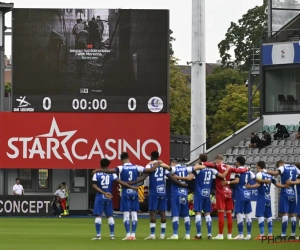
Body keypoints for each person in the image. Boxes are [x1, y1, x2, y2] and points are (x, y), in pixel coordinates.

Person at [91, 152, 166, 240]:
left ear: (121, 159)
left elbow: (110, 171)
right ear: (128, 158)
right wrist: (158, 163)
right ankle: (133, 235)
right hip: (134, 192)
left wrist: (97, 170)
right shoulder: (136, 167)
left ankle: (127, 234)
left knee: (126, 214)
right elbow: (150, 170)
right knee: (134, 214)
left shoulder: (121, 167)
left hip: (125, 193)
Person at [127, 151, 186, 240]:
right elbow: (171, 178)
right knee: (162, 212)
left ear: (151, 156)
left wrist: (132, 182)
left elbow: (143, 177)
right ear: (158, 157)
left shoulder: (149, 165)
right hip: (162, 191)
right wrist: (182, 185)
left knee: (153, 212)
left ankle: (152, 235)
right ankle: (162, 235)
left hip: (154, 191)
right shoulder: (162, 166)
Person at [174, 153, 230, 240]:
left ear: (199, 159)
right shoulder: (212, 169)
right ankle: (209, 234)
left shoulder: (199, 169)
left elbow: (189, 178)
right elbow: (223, 176)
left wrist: (178, 177)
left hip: (199, 194)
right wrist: (228, 169)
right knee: (207, 214)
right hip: (207, 194)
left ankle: (199, 234)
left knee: (198, 213)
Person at [201, 154, 249, 240]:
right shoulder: (229, 167)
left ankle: (220, 234)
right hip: (229, 192)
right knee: (229, 214)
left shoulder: (217, 166)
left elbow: (208, 164)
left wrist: (201, 162)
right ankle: (229, 235)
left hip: (220, 192)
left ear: (217, 160)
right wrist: (247, 168)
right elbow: (240, 170)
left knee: (221, 214)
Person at [92, 158, 138, 240]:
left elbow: (94, 185)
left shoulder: (97, 173)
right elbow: (121, 182)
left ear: (100, 164)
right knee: (110, 216)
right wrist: (132, 187)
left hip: (100, 196)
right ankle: (112, 235)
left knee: (98, 215)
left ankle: (98, 235)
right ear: (108, 165)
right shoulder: (112, 174)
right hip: (109, 196)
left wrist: (103, 193)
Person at [245, 161, 289, 240]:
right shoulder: (269, 175)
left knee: (260, 215)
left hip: (261, 197)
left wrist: (250, 186)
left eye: (256, 166)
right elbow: (276, 184)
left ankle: (262, 235)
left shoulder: (259, 174)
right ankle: (270, 235)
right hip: (268, 198)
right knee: (268, 216)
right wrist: (284, 186)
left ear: (258, 166)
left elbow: (258, 184)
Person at [163, 160, 206, 240]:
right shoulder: (186, 169)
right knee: (186, 215)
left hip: (176, 194)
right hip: (184, 193)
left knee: (175, 215)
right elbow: (199, 167)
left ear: (173, 163)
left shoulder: (173, 169)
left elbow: (166, 168)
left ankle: (175, 234)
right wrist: (204, 164)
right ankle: (187, 234)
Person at [266, 160, 300, 237]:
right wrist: (295, 181)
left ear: (279, 164)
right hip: (293, 192)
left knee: (285, 213)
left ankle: (283, 234)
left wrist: (265, 170)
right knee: (292, 214)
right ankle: (293, 234)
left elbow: (275, 173)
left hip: (285, 191)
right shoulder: (294, 167)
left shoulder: (282, 167)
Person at [227, 156, 256, 240]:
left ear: (238, 162)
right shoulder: (248, 171)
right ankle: (249, 235)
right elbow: (256, 179)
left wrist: (227, 182)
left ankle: (240, 234)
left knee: (239, 214)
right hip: (247, 194)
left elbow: (237, 181)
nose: (236, 163)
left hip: (240, 194)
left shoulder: (238, 171)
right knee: (248, 215)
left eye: (236, 162)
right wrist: (251, 186)